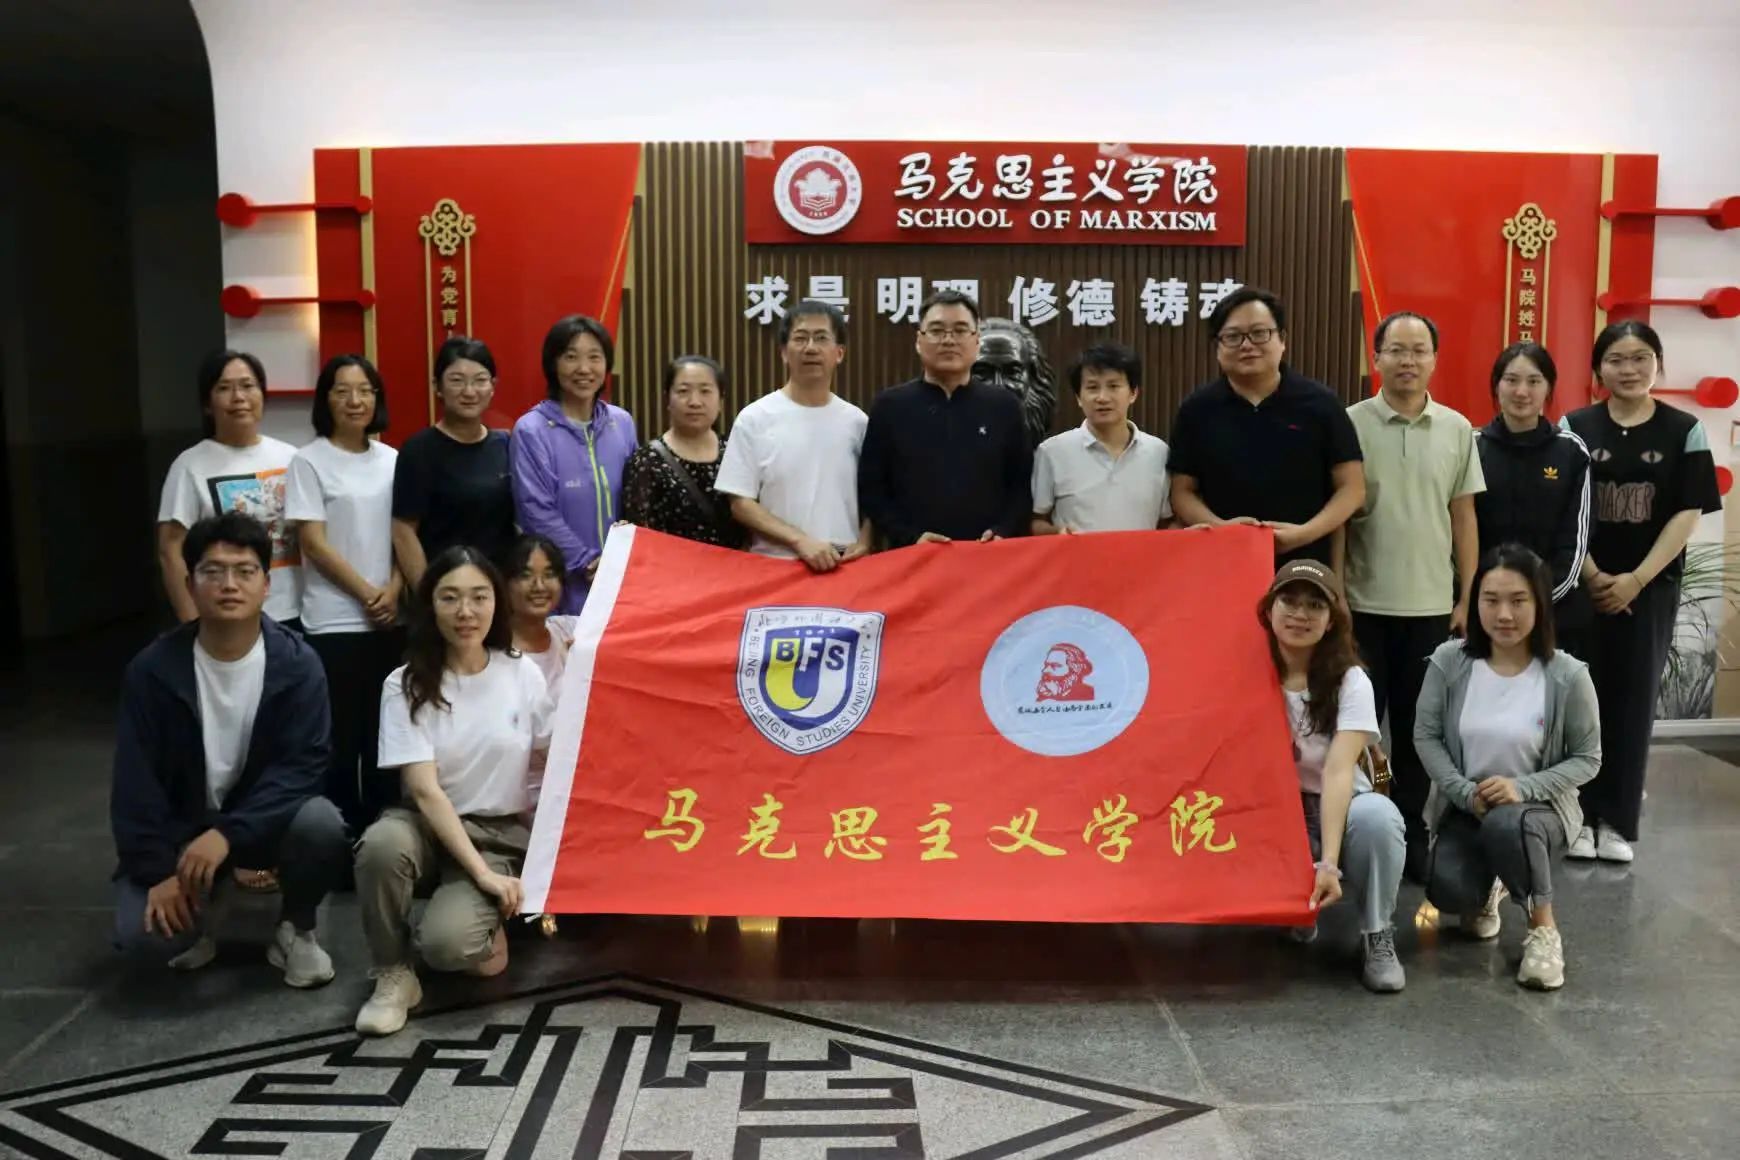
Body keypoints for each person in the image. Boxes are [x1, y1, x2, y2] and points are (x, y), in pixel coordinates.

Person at [111, 513, 346, 984]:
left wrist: (227, 835)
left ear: (266, 585)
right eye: (212, 572)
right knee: (144, 940)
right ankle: (206, 903)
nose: (229, 585)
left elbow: (302, 770)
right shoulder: (153, 671)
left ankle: (296, 928)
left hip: (262, 825)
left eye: (244, 571)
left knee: (321, 824)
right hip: (184, 831)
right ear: (190, 584)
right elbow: (135, 784)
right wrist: (158, 873)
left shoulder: (298, 665)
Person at [354, 546, 553, 1036]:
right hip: (425, 824)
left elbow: (557, 756)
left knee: (448, 947)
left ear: (497, 603)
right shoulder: (404, 684)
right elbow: (424, 791)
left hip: (497, 831)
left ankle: (469, 921)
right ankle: (393, 973)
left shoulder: (521, 673)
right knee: (381, 844)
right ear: (430, 605)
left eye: (479, 597)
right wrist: (483, 876)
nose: (466, 611)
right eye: (450, 598)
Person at [1562, 321, 1721, 864]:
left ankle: (1616, 822)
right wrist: (1592, 575)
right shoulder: (1576, 427)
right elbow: (1565, 509)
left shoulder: (1685, 429)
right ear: (1597, 369)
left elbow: (1688, 513)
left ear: (1658, 363)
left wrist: (1635, 579)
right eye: (1616, 359)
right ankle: (1578, 817)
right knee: (1581, 699)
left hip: (1650, 589)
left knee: (1633, 701)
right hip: (1583, 585)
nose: (1628, 369)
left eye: (1640, 358)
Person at [1415, 544, 1601, 990]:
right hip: (1467, 806)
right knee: (1447, 889)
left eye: (1518, 601)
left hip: (1538, 811)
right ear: (1474, 600)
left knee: (1507, 824)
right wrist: (1464, 793)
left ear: (1540, 604)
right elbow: (1426, 736)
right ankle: (1489, 889)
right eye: (1491, 599)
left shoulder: (1567, 675)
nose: (1503, 614)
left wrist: (1523, 788)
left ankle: (1543, 929)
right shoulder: (1449, 662)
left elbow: (1588, 758)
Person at [1344, 312, 1486, 877]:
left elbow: (1464, 517)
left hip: (1430, 609)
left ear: (1434, 359)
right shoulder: (1350, 423)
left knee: (1416, 731)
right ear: (1376, 357)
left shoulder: (1457, 428)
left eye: (1418, 350)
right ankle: (1351, 829)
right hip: (1360, 606)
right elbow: (1339, 515)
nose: (1407, 360)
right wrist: (1337, 596)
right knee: (1355, 728)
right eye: (1396, 349)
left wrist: (1466, 598)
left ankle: (1411, 833)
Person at [1260, 559, 1407, 992]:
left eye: (1315, 605)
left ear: (1331, 621)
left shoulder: (1351, 681)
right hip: (1277, 806)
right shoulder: (1249, 670)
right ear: (1268, 610)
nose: (1300, 614)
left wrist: (1327, 862)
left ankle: (1377, 934)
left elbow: (1339, 771)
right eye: (1289, 601)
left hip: (1340, 803)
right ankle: (1296, 911)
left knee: (1379, 818)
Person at [286, 354, 405, 837]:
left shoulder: (393, 460)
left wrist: (394, 590)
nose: (355, 400)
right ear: (326, 400)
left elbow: (405, 534)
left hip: (390, 620)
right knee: (339, 743)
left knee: (385, 740)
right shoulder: (308, 461)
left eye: (364, 390)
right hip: (333, 623)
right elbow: (313, 543)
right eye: (342, 391)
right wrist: (367, 594)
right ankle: (338, 842)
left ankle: (383, 841)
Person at [1169, 287, 1365, 565]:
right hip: (1221, 561)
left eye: (1259, 333)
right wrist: (1221, 530)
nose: (1247, 345)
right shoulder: (1196, 410)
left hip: (1305, 566)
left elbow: (1352, 488)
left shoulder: (1322, 404)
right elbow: (1181, 492)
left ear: (1282, 339)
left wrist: (1303, 534)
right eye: (1233, 336)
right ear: (1218, 348)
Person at [858, 289, 1031, 546]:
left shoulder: (1005, 407)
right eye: (937, 330)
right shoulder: (890, 406)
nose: (949, 340)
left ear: (977, 341)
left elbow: (1021, 487)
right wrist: (910, 536)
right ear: (919, 340)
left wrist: (1002, 530)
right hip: (912, 555)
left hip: (986, 554)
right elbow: (872, 489)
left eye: (960, 330)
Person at [157, 350, 304, 627]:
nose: (238, 397)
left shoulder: (292, 458)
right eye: (224, 388)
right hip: (223, 616)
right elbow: (171, 550)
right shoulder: (189, 465)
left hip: (294, 612)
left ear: (263, 395)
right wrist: (193, 622)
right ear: (207, 404)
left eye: (248, 386)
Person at [716, 302, 869, 568]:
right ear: (784, 353)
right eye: (800, 338)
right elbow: (740, 503)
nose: (811, 347)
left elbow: (877, 497)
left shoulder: (857, 422)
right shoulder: (754, 418)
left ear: (839, 353)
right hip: (776, 565)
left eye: (821, 338)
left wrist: (866, 540)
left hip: (844, 566)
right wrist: (799, 541)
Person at [510, 315, 639, 612]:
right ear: (553, 364)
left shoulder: (621, 423)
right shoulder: (532, 430)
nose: (584, 368)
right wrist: (587, 562)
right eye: (571, 357)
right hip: (562, 584)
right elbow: (536, 511)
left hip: (620, 581)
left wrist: (620, 558)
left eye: (594, 357)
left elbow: (636, 496)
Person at [1473, 342, 1592, 653]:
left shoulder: (1570, 450)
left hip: (1554, 613)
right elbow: (1459, 532)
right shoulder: (1471, 447)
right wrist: (1485, 600)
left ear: (1549, 387)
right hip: (1484, 612)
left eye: (1534, 381)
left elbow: (1575, 541)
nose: (1521, 391)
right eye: (1511, 380)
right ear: (1496, 385)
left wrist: (1535, 601)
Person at [392, 336, 517, 587]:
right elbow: (403, 531)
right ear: (437, 386)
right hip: (446, 589)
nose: (469, 391)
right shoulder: (419, 450)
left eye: (480, 380)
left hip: (498, 589)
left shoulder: (507, 445)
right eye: (457, 380)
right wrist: (429, 594)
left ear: (493, 386)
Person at [1031, 343, 1171, 534]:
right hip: (1078, 554)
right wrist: (1058, 533)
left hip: (1140, 555)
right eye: (1092, 387)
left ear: (1133, 393)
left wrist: (1190, 535)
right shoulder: (1052, 452)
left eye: (1113, 386)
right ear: (1078, 397)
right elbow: (1036, 522)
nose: (1102, 397)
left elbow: (1166, 523)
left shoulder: (1158, 452)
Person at [622, 356, 748, 548]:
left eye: (705, 391)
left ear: (721, 401)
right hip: (670, 565)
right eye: (683, 391)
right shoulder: (647, 460)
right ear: (667, 399)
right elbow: (640, 534)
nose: (695, 402)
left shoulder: (736, 452)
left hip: (735, 565)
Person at [505, 534, 579, 808]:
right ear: (504, 583)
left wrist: (624, 552)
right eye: (526, 576)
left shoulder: (571, 630)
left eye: (549, 575)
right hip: (518, 803)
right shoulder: (490, 654)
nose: (539, 586)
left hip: (580, 789)